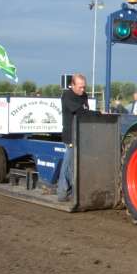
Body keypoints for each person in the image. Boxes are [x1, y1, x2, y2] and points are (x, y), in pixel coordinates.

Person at [57, 73, 90, 202]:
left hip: (82, 134)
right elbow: (80, 111)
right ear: (72, 85)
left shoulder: (84, 96)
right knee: (69, 164)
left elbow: (86, 111)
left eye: (84, 87)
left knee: (75, 165)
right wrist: (95, 113)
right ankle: (62, 192)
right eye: (80, 87)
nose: (83, 89)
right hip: (70, 135)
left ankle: (75, 191)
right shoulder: (67, 95)